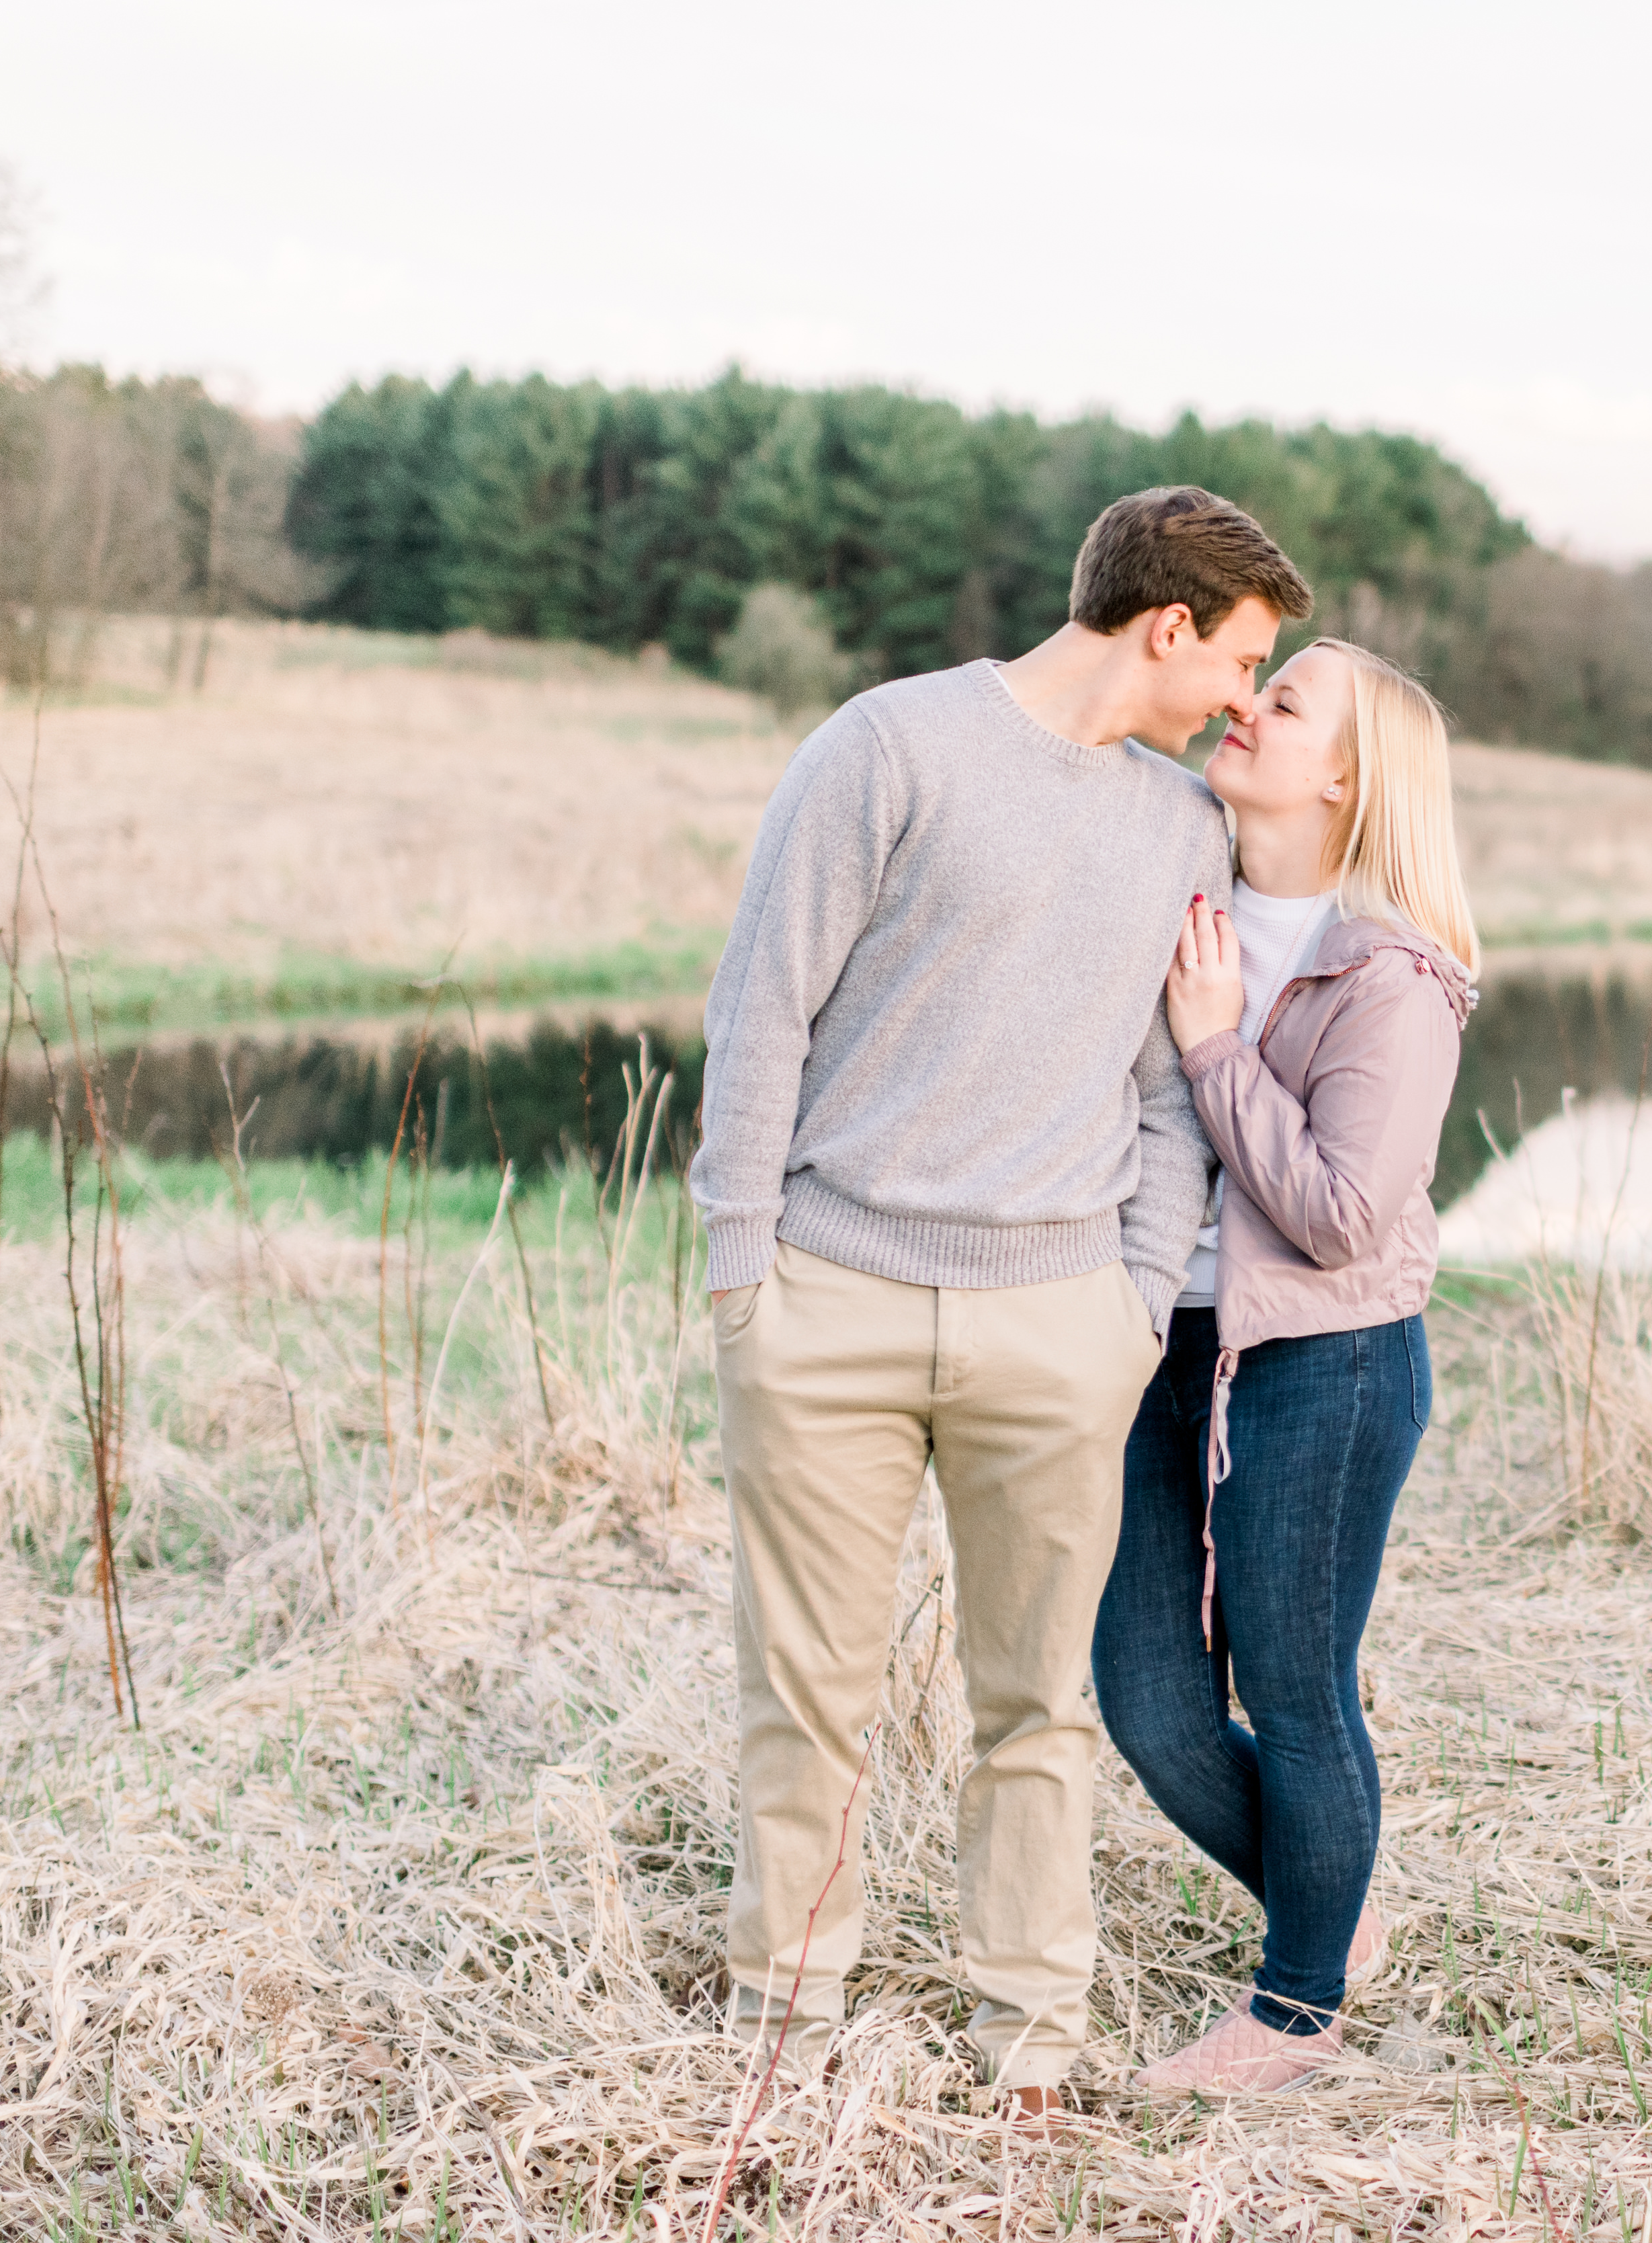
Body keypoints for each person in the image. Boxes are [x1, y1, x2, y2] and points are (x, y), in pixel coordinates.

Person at [692, 488, 1312, 2125]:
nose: (1249, 699)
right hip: (828, 1302)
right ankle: (783, 2023)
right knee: (805, 1695)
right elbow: (760, 1010)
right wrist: (742, 1272)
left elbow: (1169, 1087)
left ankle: (1028, 2041)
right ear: (1166, 627)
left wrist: (1122, 1305)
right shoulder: (886, 748)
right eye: (1244, 659)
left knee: (1034, 1709)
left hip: (1055, 1329)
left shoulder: (1184, 826)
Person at [1091, 638, 1479, 2096]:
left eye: (1290, 698)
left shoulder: (1391, 975)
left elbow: (1334, 1213)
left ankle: (1295, 2012)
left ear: (1346, 778)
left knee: (1298, 1689)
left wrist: (1212, 1051)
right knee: (1146, 1697)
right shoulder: (1171, 905)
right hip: (1153, 1345)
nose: (1246, 705)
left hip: (1327, 1362)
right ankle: (1337, 1898)